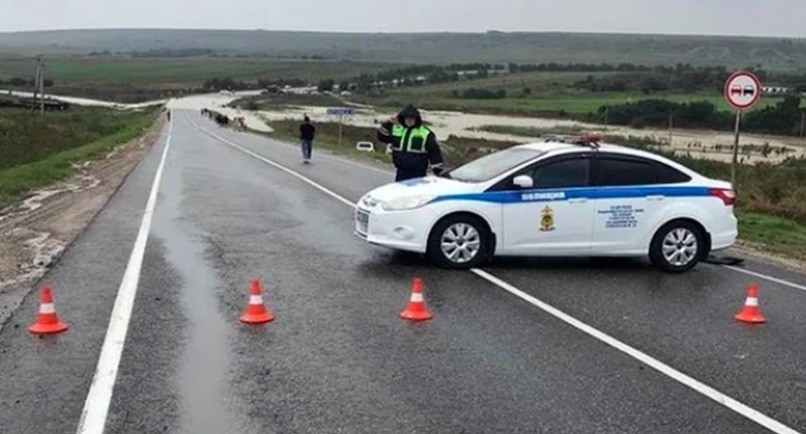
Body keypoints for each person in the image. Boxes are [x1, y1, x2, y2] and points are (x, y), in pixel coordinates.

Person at [377, 105, 444, 181]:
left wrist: (438, 172)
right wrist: (388, 123)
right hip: (401, 172)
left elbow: (434, 153)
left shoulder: (426, 133)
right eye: (407, 117)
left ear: (416, 119)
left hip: (418, 174)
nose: (409, 120)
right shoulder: (397, 130)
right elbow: (382, 137)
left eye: (412, 117)